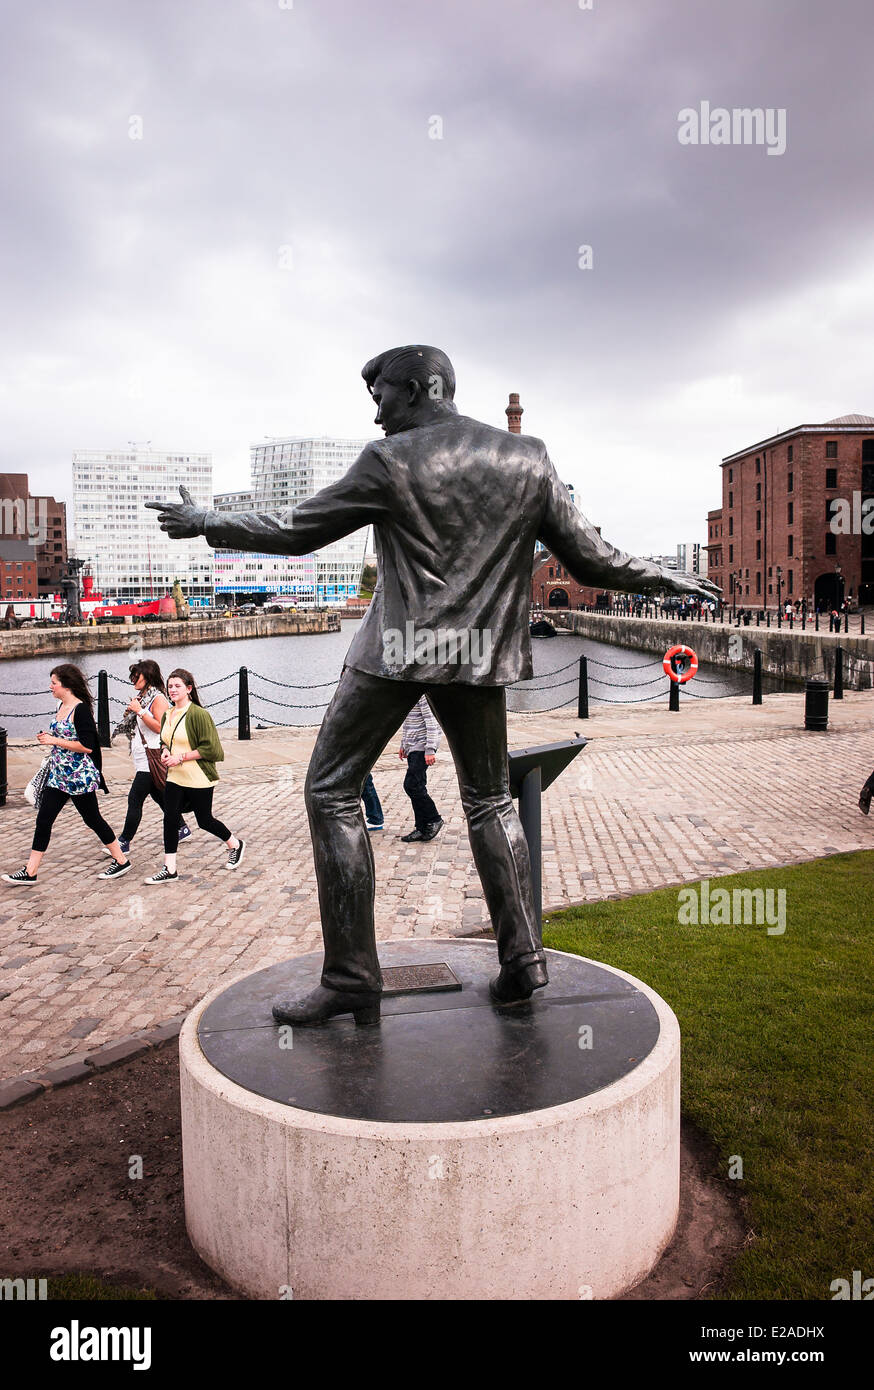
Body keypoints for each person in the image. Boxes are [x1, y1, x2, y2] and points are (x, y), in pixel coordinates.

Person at [148, 343, 719, 1023]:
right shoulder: (528, 457)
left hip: (395, 648)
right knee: (491, 801)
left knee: (330, 790)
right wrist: (662, 574)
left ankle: (353, 976)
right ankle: (523, 959)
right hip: (477, 655)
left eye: (383, 394)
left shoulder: (388, 461)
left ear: (420, 388)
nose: (378, 409)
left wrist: (207, 520)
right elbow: (590, 557)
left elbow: (299, 530)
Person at [3, 664, 131, 884]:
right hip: (58, 775)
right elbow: (63, 736)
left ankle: (121, 861)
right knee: (44, 820)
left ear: (66, 685)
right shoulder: (60, 705)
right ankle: (30, 871)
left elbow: (88, 746)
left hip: (78, 776)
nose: (50, 686)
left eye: (54, 682)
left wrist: (54, 740)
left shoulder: (80, 709)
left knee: (92, 819)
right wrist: (48, 738)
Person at [144, 668, 245, 883]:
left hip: (198, 777)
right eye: (170, 686)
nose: (173, 690)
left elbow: (212, 749)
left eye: (177, 686)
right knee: (170, 819)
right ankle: (170, 869)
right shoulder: (168, 714)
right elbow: (165, 740)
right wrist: (164, 751)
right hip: (174, 777)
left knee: (204, 820)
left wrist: (180, 757)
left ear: (189, 689)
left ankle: (235, 844)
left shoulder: (199, 714)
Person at [111, 659, 191, 855]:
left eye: (136, 676)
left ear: (147, 677)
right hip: (142, 755)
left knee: (135, 798)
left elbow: (161, 727)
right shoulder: (142, 697)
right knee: (160, 796)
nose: (132, 680)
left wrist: (140, 712)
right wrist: (132, 713)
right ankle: (182, 827)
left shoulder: (158, 699)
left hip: (153, 755)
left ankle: (124, 841)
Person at [398, 695, 443, 842]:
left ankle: (434, 818)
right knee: (418, 787)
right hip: (412, 747)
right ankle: (422, 828)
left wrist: (430, 750)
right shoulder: (408, 694)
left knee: (411, 786)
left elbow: (432, 723)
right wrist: (403, 745)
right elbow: (407, 723)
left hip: (422, 747)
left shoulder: (423, 696)